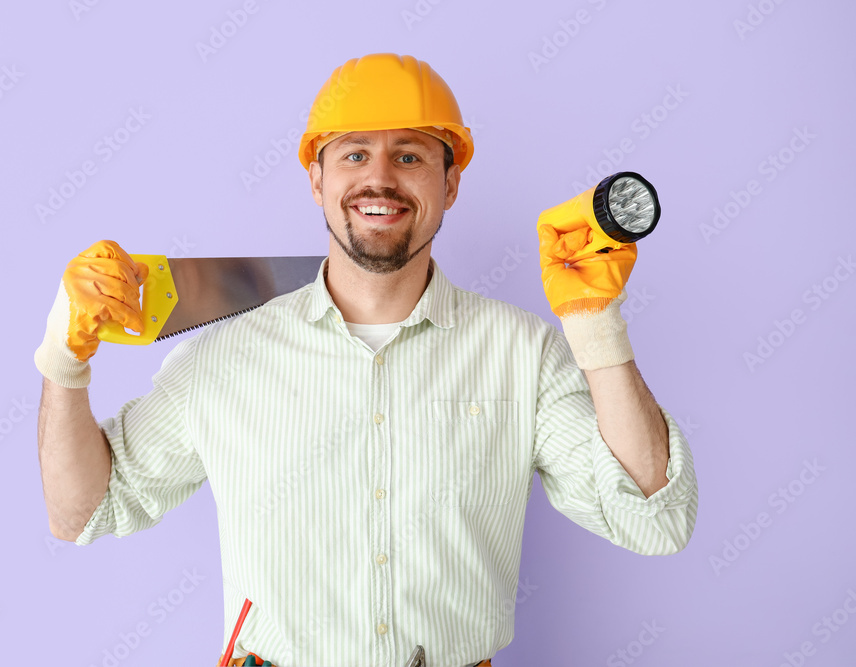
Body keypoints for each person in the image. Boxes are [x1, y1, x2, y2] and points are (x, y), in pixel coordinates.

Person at [34, 53, 698, 667]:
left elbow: (656, 517)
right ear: (317, 178)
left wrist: (595, 326)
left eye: (409, 155)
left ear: (451, 180)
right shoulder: (224, 356)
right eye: (354, 154)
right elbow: (84, 510)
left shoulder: (521, 353)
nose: (379, 177)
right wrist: (64, 362)